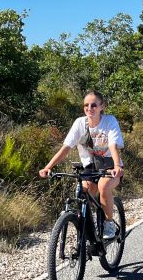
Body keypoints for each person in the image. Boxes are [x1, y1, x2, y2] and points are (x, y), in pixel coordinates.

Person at [38, 90, 124, 238]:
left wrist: (117, 166)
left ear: (102, 106)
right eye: (86, 105)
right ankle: (89, 228)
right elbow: (66, 148)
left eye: (93, 105)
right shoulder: (79, 123)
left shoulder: (110, 121)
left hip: (109, 165)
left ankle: (108, 223)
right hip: (90, 166)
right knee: (83, 192)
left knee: (103, 186)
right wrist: (48, 167)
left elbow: (113, 146)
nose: (89, 108)